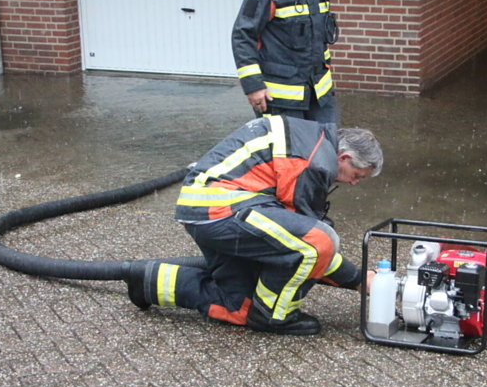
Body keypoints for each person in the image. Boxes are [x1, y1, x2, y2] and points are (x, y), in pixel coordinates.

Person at [129, 115, 383, 335]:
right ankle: (274, 316)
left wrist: (354, 278)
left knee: (238, 308)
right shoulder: (315, 161)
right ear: (345, 157)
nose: (353, 184)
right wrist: (357, 279)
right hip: (222, 210)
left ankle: (148, 281)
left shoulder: (313, 141)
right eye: (357, 176)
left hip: (204, 208)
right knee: (319, 241)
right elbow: (310, 244)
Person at [232, 0, 340, 124]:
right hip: (281, 98)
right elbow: (243, 36)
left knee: (326, 147)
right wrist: (253, 86)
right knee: (287, 153)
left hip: (319, 94)